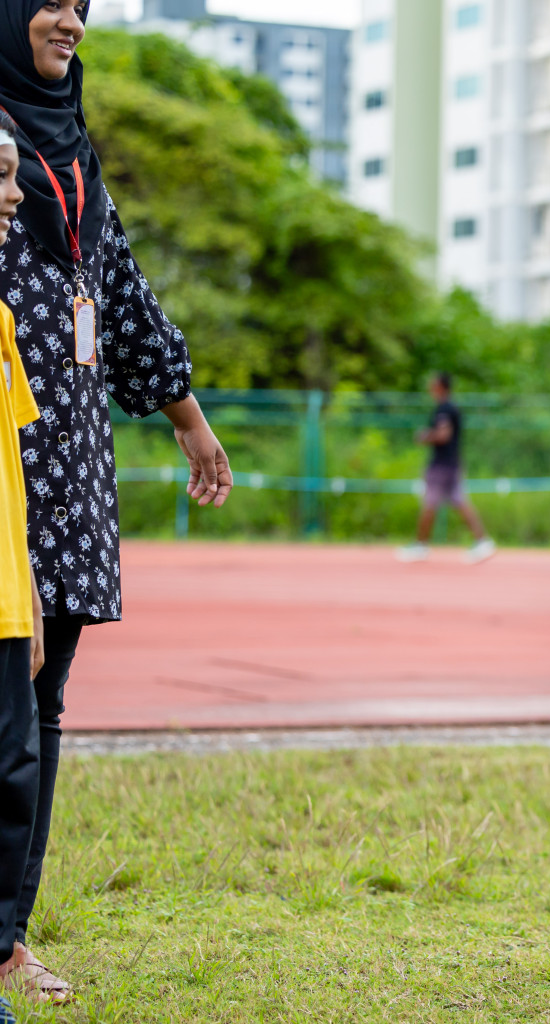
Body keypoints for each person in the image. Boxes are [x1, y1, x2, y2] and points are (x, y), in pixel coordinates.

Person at [0, 0, 233, 1002]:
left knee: (41, 708)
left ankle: (7, 929)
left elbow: (123, 294)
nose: (70, 21)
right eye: (50, 2)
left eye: (85, 7)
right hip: (4, 457)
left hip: (73, 467)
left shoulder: (73, 156)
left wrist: (186, 414)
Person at [0, 110, 39, 1024]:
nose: (13, 195)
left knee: (11, 780)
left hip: (6, 604)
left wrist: (32, 591)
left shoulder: (3, 317)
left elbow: (13, 469)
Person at [396, 371, 495, 564]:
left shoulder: (444, 409)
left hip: (442, 466)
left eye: (432, 383)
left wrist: (425, 436)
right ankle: (483, 541)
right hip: (452, 463)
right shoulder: (451, 407)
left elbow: (443, 435)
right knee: (459, 501)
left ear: (440, 386)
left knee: (429, 502)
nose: (430, 387)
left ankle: (420, 545)